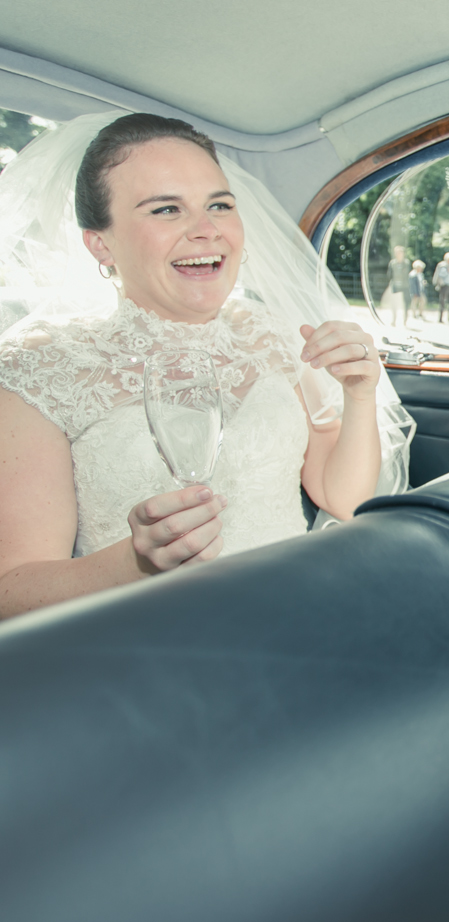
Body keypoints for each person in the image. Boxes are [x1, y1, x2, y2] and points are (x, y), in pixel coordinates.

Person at [0, 112, 414, 618]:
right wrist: (135, 563)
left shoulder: (276, 335)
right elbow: (12, 588)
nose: (206, 229)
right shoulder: (42, 369)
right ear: (100, 243)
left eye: (219, 205)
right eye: (166, 209)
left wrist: (358, 393)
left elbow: (342, 498)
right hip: (145, 643)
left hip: (298, 611)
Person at [386, 244, 410, 326]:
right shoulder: (392, 263)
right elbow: (389, 274)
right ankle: (394, 320)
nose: (399, 254)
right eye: (397, 253)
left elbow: (408, 274)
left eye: (400, 252)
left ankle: (405, 320)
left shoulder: (406, 263)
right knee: (394, 304)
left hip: (404, 286)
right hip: (395, 286)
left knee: (405, 304)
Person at [433, 252, 449, 323]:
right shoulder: (443, 266)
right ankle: (440, 319)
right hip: (444, 286)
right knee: (442, 302)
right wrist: (447, 271)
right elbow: (441, 275)